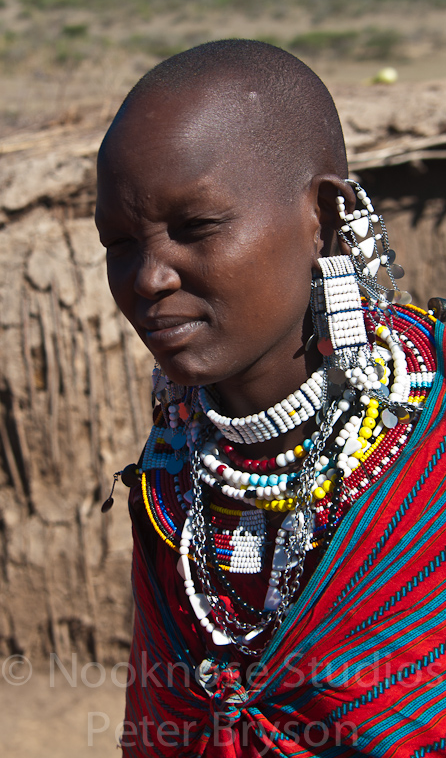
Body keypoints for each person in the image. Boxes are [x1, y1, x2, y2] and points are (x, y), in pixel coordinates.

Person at [95, 40, 446, 757]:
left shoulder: (427, 443)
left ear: (324, 216)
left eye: (195, 228)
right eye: (120, 242)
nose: (149, 279)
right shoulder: (171, 483)